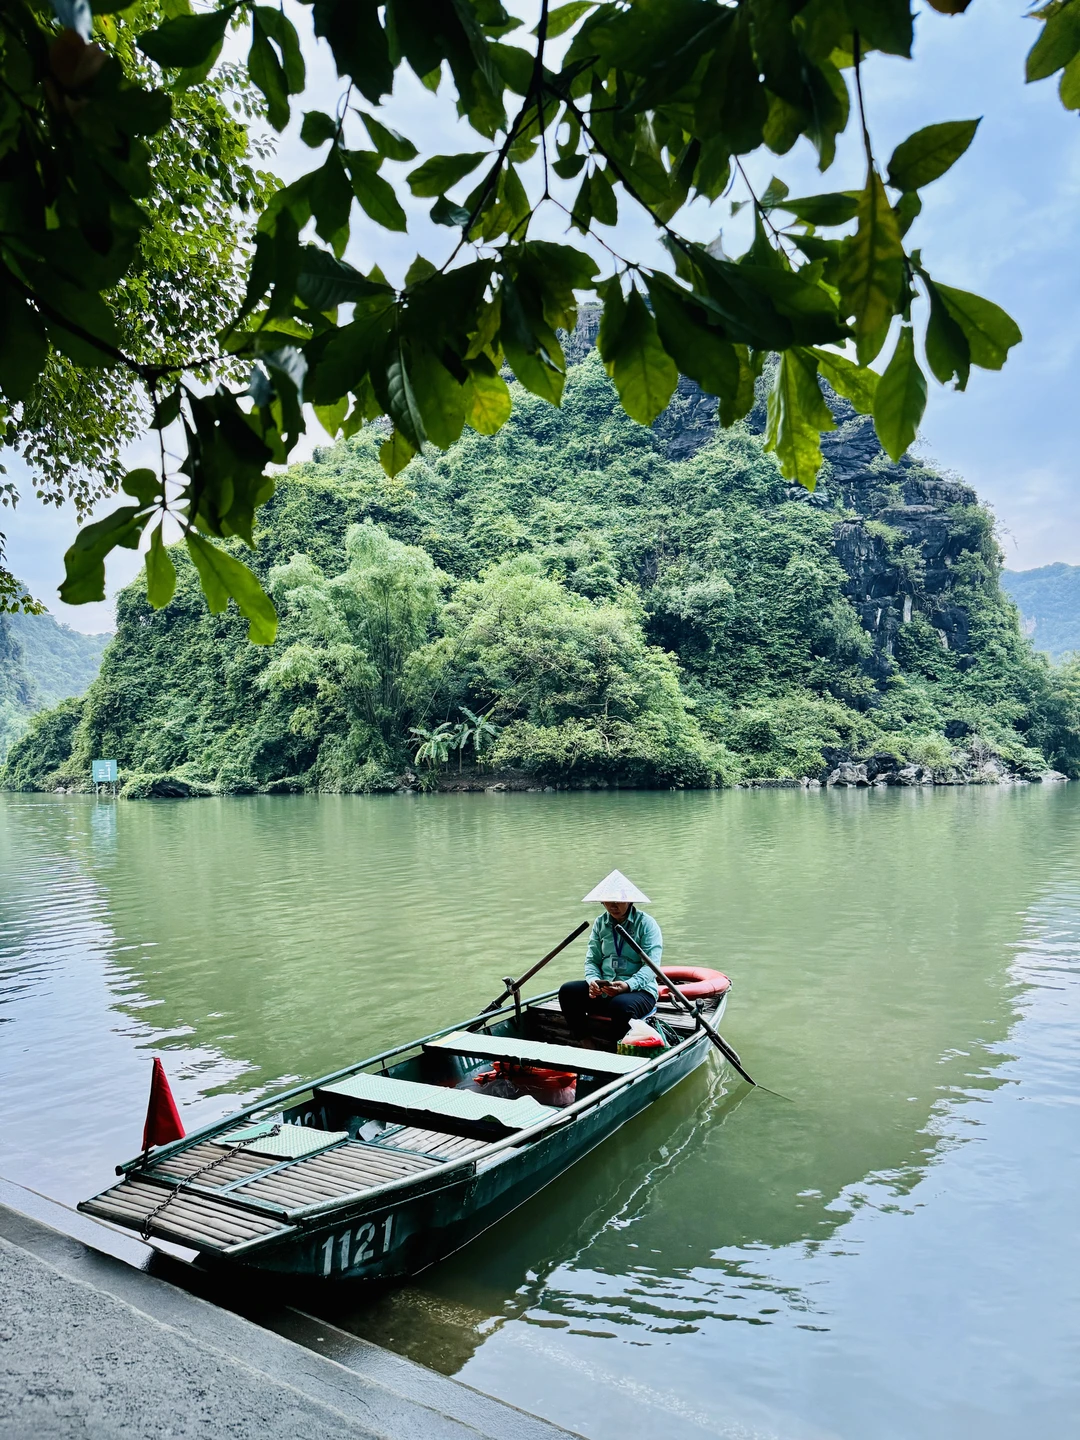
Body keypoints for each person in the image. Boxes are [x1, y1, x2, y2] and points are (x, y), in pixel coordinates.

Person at [559, 870, 662, 1047]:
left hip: (639, 991)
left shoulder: (646, 924)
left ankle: (618, 1050)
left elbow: (651, 967)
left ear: (629, 900)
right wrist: (593, 982)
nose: (613, 905)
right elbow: (592, 960)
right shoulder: (600, 923)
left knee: (620, 1005)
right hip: (606, 989)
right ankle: (586, 1043)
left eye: (619, 900)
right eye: (608, 900)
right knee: (568, 991)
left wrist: (628, 985)